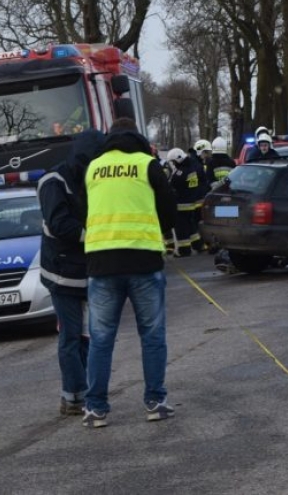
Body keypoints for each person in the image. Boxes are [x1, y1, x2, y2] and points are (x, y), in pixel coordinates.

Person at [82, 117, 176, 428]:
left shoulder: (93, 168)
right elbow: (169, 211)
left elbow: (87, 210)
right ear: (136, 136)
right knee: (151, 336)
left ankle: (95, 408)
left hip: (101, 264)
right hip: (143, 262)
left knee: (100, 339)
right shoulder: (147, 164)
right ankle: (155, 402)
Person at [38, 130, 106, 416]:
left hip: (90, 271)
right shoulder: (53, 181)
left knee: (88, 337)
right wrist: (98, 236)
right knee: (71, 337)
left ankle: (85, 392)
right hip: (62, 274)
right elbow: (59, 224)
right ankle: (73, 396)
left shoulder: (97, 177)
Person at [165, 147, 207, 256]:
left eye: (173, 161)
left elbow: (172, 186)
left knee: (181, 228)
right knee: (191, 226)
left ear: (178, 159)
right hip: (191, 204)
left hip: (181, 205)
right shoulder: (191, 168)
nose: (173, 164)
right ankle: (198, 245)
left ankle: (184, 250)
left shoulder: (180, 173)